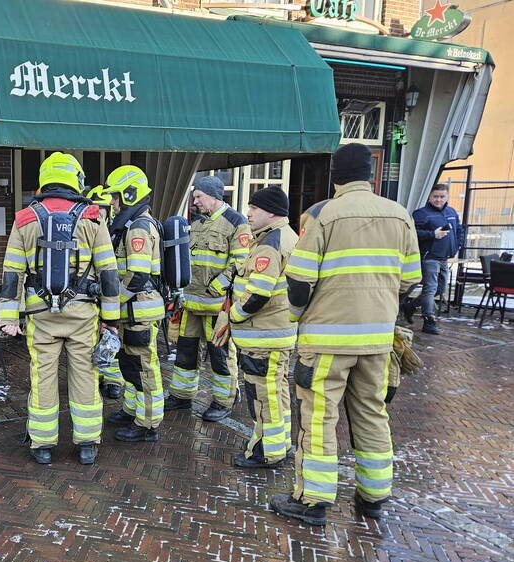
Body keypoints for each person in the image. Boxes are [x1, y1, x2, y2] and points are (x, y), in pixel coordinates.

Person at [270, 143, 421, 526]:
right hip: (377, 341)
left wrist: (297, 315)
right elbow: (411, 282)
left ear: (335, 176)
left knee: (319, 417)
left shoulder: (326, 215)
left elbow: (300, 281)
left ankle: (314, 501)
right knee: (373, 412)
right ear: (369, 175)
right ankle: (373, 496)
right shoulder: (400, 215)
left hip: (326, 341)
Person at [0, 153, 121, 466]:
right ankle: (87, 443)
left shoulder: (24, 218)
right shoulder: (94, 217)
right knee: (85, 375)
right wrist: (111, 319)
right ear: (74, 178)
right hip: (83, 313)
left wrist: (9, 317)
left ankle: (41, 443)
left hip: (40, 313)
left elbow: (13, 272)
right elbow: (109, 273)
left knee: (43, 375)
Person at [215, 186, 298, 469]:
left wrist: (233, 317)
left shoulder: (269, 244)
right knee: (277, 393)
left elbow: (258, 294)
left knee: (263, 397)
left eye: (254, 208)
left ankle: (266, 452)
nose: (248, 213)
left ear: (271, 212)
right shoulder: (281, 237)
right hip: (275, 334)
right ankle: (279, 444)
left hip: (264, 336)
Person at [166, 175, 251, 421]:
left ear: (213, 196)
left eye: (198, 197)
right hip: (191, 304)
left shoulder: (236, 223)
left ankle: (223, 401)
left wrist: (218, 286)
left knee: (220, 357)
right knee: (185, 353)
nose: (195, 202)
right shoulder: (198, 222)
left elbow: (240, 262)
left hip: (216, 307)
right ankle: (181, 396)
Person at [100, 166, 166, 442]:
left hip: (140, 309)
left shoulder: (139, 228)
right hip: (134, 309)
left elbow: (137, 276)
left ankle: (148, 423)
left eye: (115, 197)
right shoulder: (130, 224)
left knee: (144, 368)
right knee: (130, 365)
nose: (113, 203)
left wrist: (113, 304)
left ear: (129, 194)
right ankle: (132, 410)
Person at [401, 183, 463, 335]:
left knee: (440, 288)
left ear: (447, 197)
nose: (438, 200)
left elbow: (460, 230)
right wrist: (432, 234)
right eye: (435, 196)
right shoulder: (421, 214)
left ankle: (410, 306)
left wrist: (457, 246)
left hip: (445, 257)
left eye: (442, 197)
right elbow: (413, 234)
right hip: (429, 257)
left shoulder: (452, 212)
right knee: (430, 288)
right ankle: (429, 320)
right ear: (429, 197)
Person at [86, 184, 124, 401]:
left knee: (111, 336)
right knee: (92, 337)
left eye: (104, 209)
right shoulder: (87, 229)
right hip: (92, 294)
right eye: (97, 209)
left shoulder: (117, 231)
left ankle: (113, 380)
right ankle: (96, 375)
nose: (100, 213)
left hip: (111, 294)